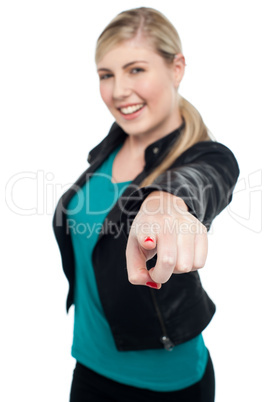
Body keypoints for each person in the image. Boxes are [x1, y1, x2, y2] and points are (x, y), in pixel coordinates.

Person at [52, 7, 239, 402]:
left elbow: (202, 181)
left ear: (176, 68)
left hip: (166, 384)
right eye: (107, 75)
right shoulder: (111, 146)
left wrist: (166, 202)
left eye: (135, 69)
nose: (118, 90)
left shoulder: (207, 158)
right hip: (88, 365)